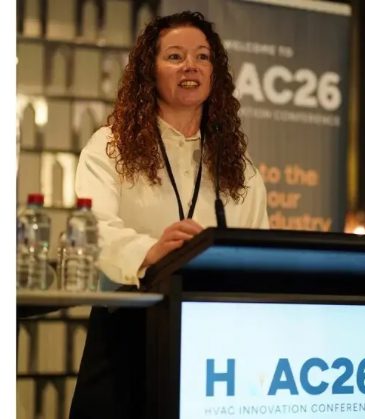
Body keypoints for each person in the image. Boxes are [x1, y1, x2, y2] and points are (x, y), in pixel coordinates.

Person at [68, 11, 269, 419]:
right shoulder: (110, 146)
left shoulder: (236, 163)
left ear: (214, 73)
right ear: (150, 71)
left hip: (212, 339)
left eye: (202, 57)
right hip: (127, 331)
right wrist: (151, 251)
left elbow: (257, 245)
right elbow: (92, 227)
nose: (191, 66)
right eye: (175, 56)